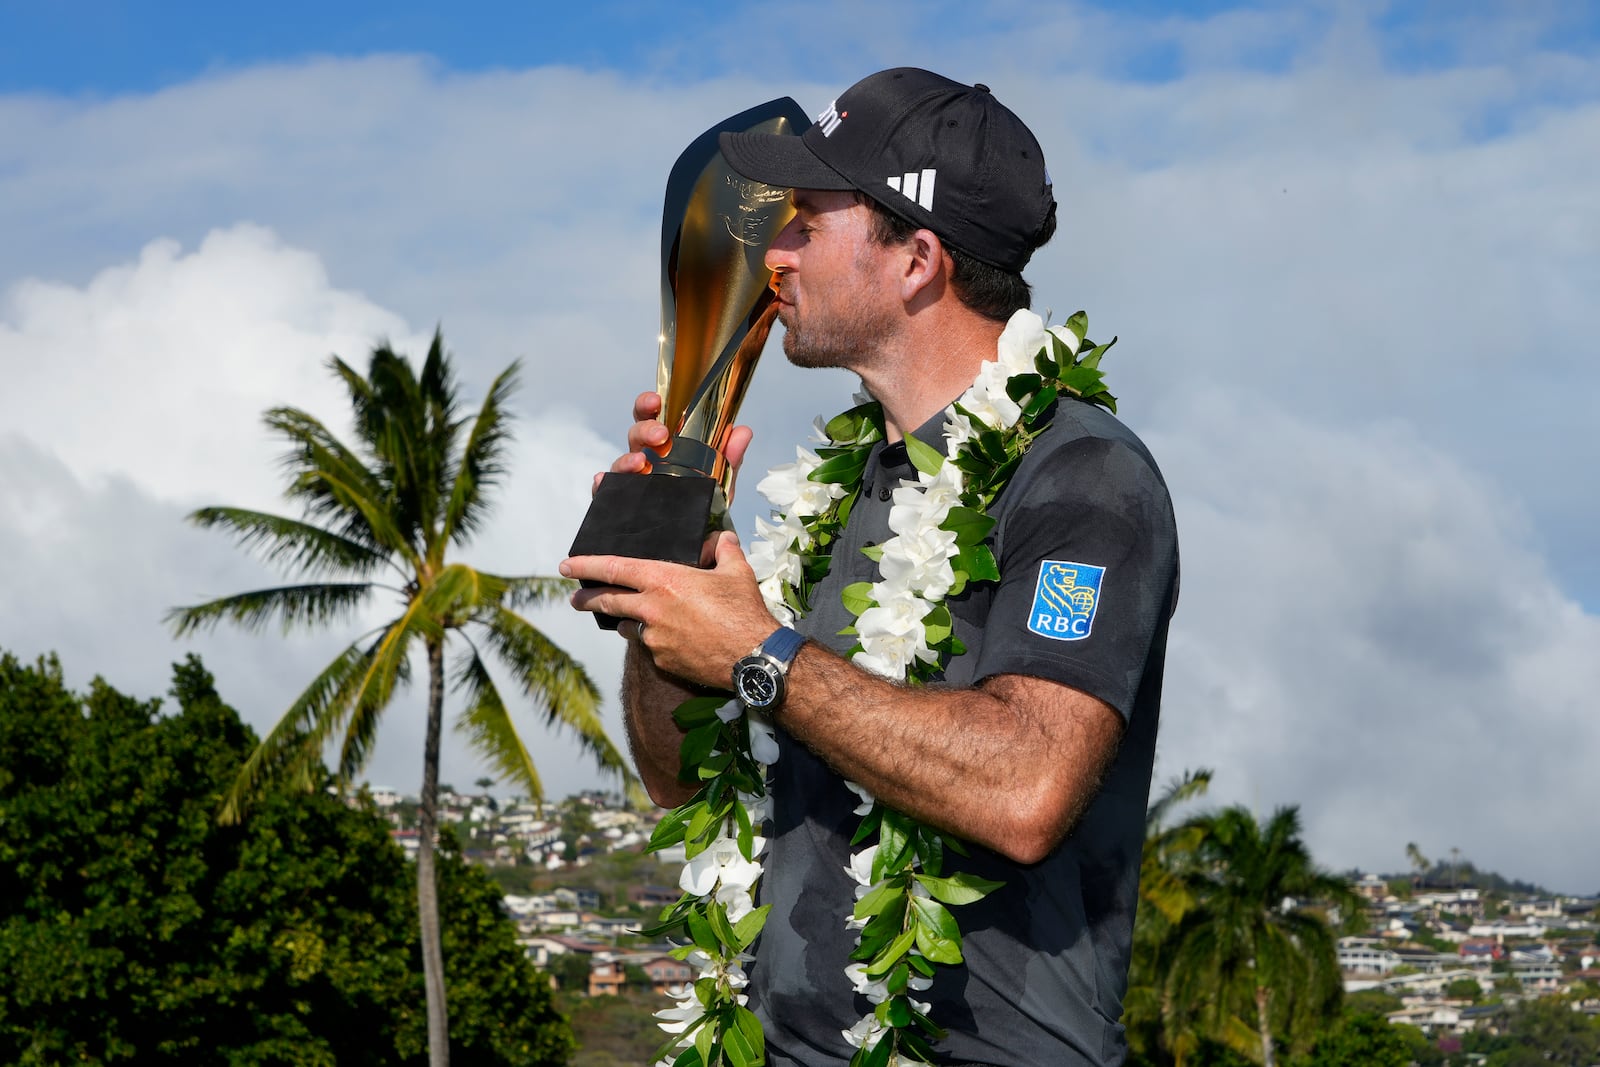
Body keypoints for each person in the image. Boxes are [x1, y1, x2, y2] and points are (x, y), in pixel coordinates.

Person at [562, 67, 1179, 1067]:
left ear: (916, 260)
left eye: (807, 217)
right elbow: (677, 780)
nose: (774, 248)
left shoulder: (1083, 476)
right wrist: (670, 564)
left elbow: (1026, 785)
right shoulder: (838, 489)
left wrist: (760, 654)